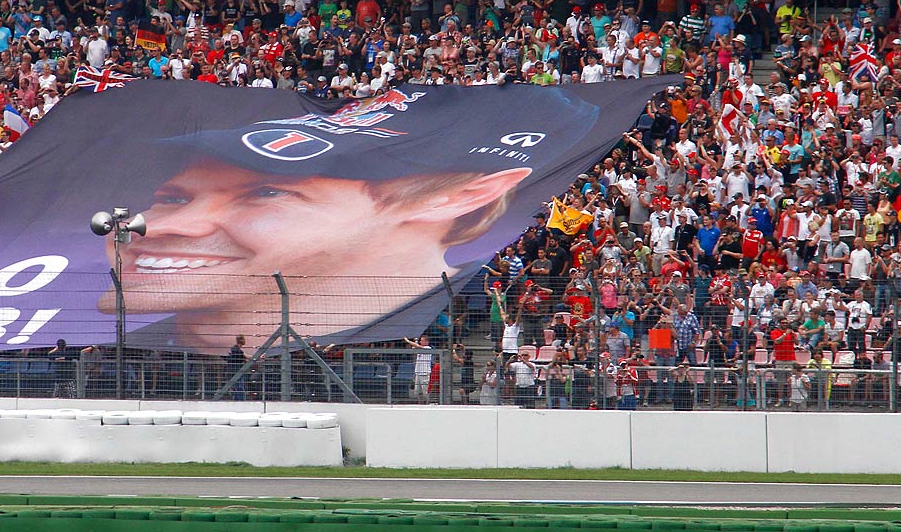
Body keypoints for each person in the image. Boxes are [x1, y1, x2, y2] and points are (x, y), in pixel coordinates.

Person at [106, 86, 605, 349]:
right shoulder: (127, 349)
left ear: (458, 195)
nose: (164, 225)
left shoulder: (414, 340)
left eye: (266, 192)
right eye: (172, 197)